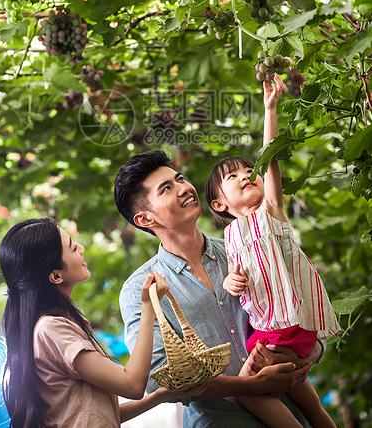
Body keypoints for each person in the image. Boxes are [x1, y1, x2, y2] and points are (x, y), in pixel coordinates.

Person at [115, 150, 320, 427]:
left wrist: (306, 353)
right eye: (167, 188)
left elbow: (306, 305)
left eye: (180, 179)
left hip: (297, 413)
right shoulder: (140, 289)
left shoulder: (249, 246)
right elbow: (157, 377)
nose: (184, 188)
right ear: (145, 219)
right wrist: (248, 385)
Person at [204, 73, 340, 428]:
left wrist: (271, 108)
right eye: (232, 177)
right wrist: (231, 283)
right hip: (278, 328)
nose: (246, 176)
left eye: (250, 171)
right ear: (219, 204)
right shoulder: (233, 236)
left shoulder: (270, 211)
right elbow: (239, 278)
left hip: (285, 326)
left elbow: (271, 155)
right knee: (311, 405)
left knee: (248, 391)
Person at [0, 217, 203, 428]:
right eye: (71, 247)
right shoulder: (51, 329)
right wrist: (148, 306)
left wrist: (161, 395)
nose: (80, 247)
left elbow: (98, 414)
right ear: (55, 276)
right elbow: (132, 385)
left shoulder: (53, 325)